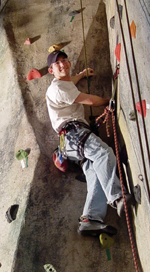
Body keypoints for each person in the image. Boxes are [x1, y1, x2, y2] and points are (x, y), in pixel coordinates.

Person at [46, 50, 133, 236]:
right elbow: (88, 100)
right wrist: (107, 101)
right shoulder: (58, 88)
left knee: (95, 173)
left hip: (67, 144)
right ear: (50, 70)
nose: (63, 64)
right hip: (73, 133)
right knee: (103, 153)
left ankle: (90, 219)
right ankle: (117, 197)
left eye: (65, 60)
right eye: (57, 63)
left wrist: (81, 75)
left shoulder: (62, 85)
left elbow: (70, 83)